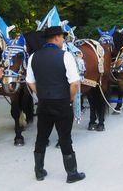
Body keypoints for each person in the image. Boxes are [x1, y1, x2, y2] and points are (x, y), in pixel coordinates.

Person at [26, 26, 85, 183]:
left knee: (41, 136)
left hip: (44, 102)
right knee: (65, 137)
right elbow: (74, 83)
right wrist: (70, 99)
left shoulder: (33, 57)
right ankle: (72, 174)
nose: (64, 40)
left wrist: (41, 94)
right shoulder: (65, 56)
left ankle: (39, 171)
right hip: (62, 102)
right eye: (62, 37)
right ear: (57, 38)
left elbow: (30, 82)